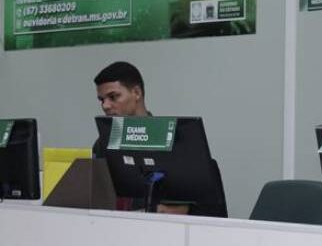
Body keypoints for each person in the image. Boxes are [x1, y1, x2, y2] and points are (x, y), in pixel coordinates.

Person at [92, 61, 227, 217]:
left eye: (113, 97)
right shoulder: (103, 144)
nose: (105, 106)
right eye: (102, 100)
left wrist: (189, 209)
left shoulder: (174, 140)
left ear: (136, 93)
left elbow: (213, 210)